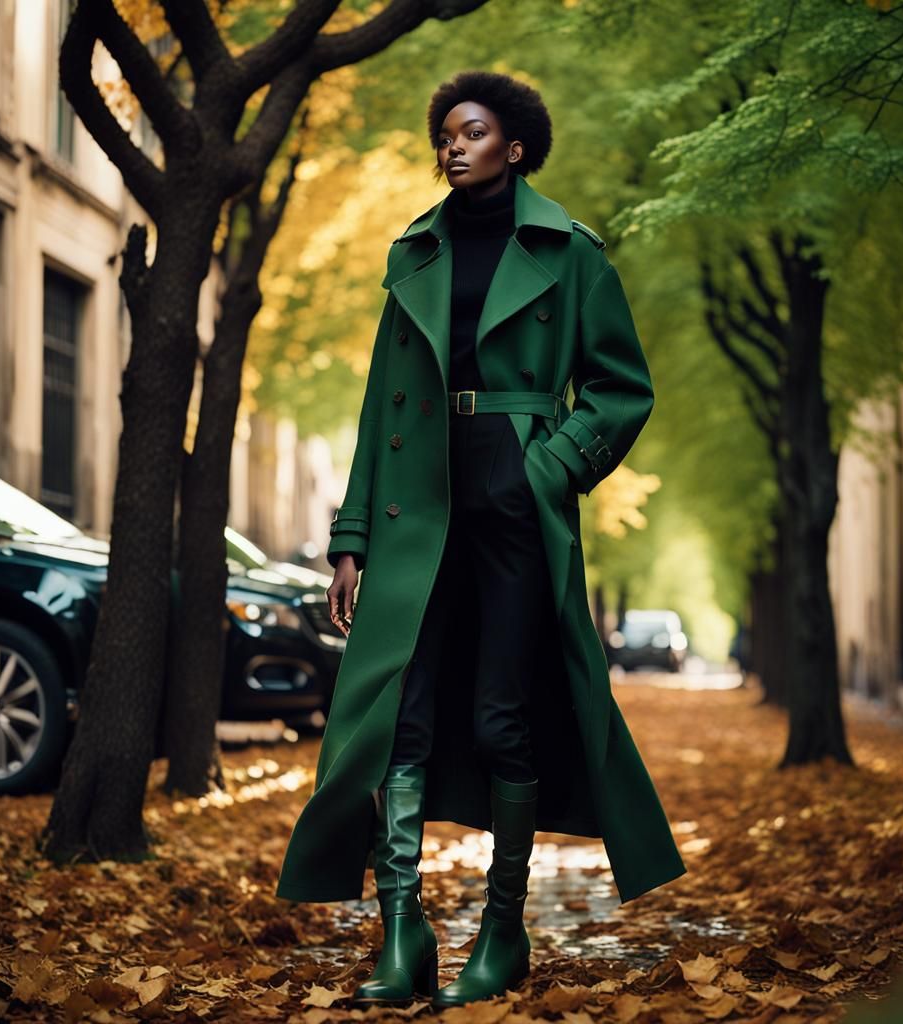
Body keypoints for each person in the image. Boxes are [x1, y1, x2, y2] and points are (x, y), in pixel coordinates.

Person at [277, 68, 687, 1010]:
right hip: (416, 503)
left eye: (471, 132)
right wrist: (349, 539)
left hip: (514, 504)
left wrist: (549, 465)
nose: (452, 146)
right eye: (445, 135)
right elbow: (382, 400)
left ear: (515, 145)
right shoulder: (413, 252)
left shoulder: (570, 251)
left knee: (505, 716)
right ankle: (402, 929)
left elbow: (623, 389)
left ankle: (504, 932)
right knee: (400, 716)